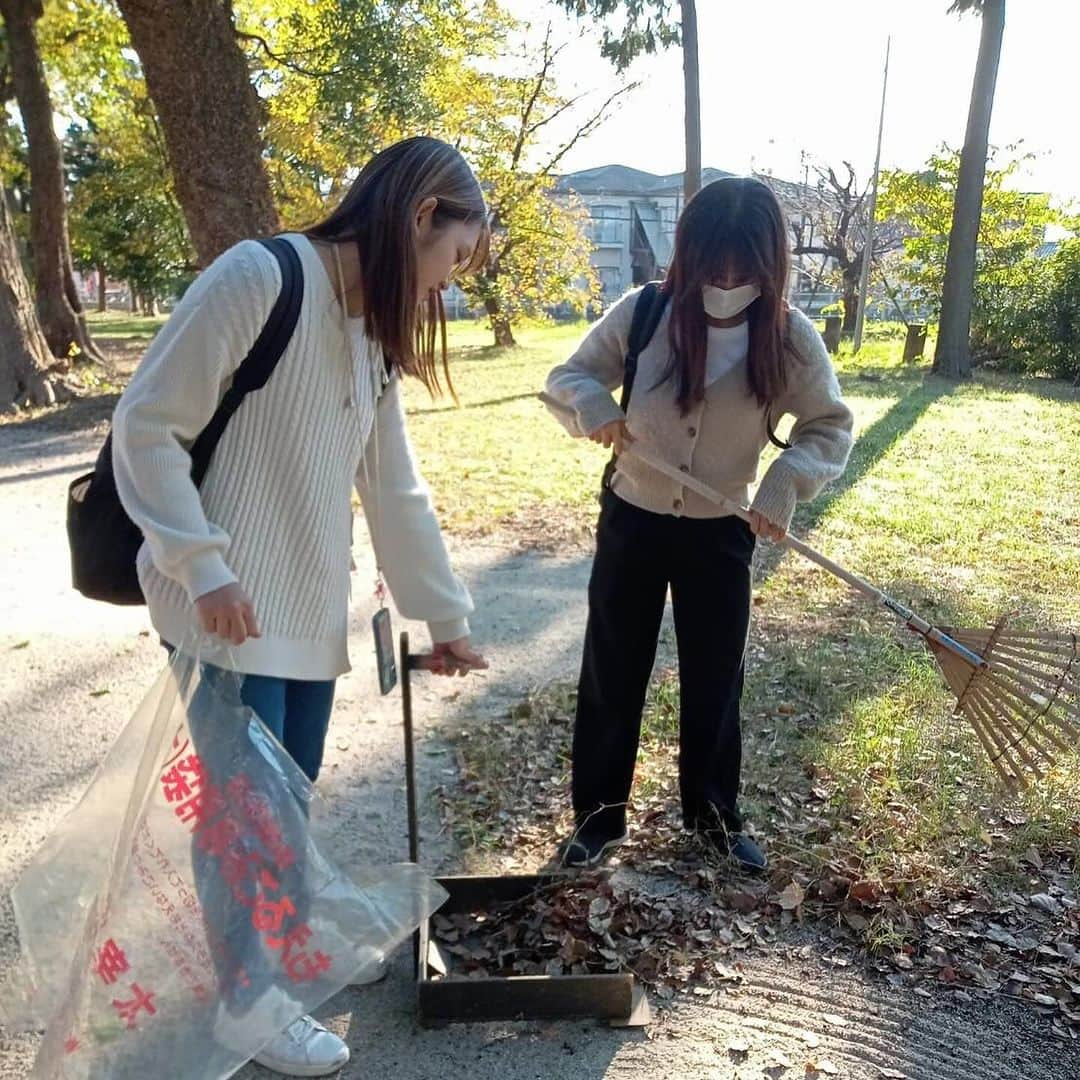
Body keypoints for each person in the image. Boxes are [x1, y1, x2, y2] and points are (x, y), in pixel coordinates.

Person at [112, 136, 490, 1077]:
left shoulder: (372, 332)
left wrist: (443, 618)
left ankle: (270, 961)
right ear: (416, 219)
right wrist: (203, 568)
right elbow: (146, 426)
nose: (447, 286)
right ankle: (248, 1007)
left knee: (283, 803)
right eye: (453, 259)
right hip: (223, 611)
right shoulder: (261, 276)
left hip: (308, 610)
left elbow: (391, 485)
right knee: (246, 813)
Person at [543, 176, 853, 873]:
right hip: (634, 519)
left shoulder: (791, 338)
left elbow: (830, 425)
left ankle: (714, 817)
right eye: (715, 264)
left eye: (744, 268)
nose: (728, 279)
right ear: (690, 253)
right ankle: (597, 819)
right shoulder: (644, 313)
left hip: (722, 530)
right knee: (613, 669)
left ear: (768, 264)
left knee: (716, 676)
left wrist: (783, 482)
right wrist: (595, 407)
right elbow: (567, 376)